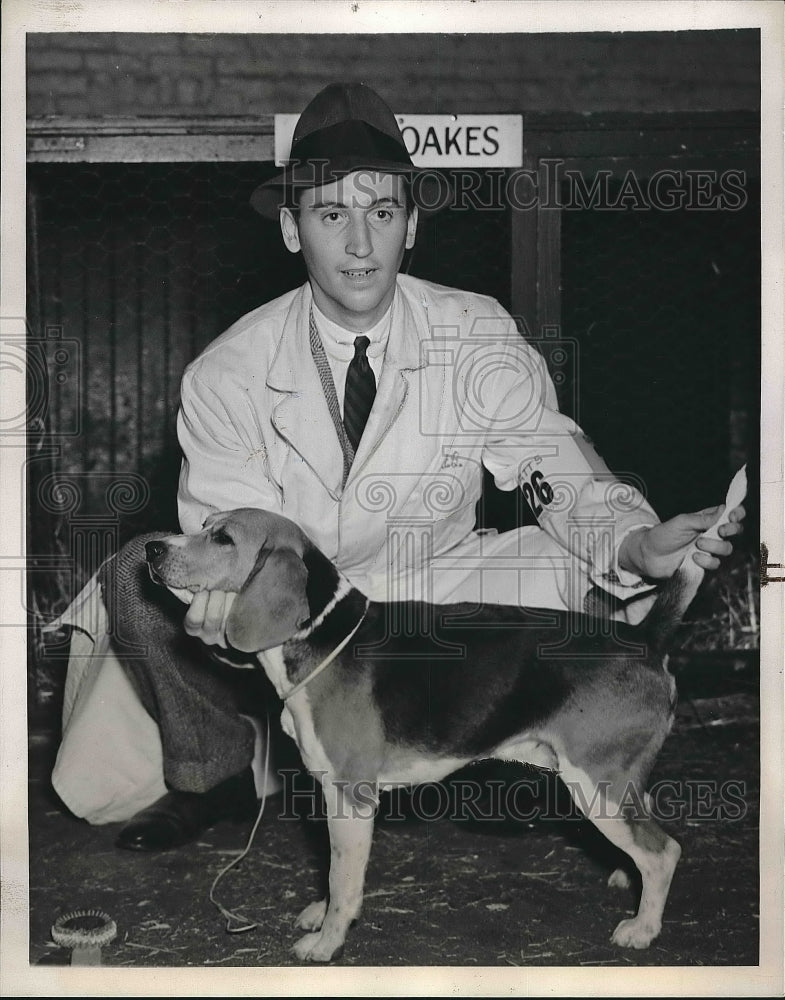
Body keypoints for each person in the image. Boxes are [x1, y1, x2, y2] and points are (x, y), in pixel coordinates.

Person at [50, 82, 745, 851]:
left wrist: (631, 543)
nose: (358, 244)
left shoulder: (471, 328)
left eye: (381, 212)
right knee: (133, 577)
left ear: (410, 225)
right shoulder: (228, 370)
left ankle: (534, 749)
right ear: (290, 229)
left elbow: (548, 459)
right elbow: (227, 548)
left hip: (433, 589)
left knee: (586, 573)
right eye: (330, 213)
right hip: (296, 609)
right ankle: (214, 772)